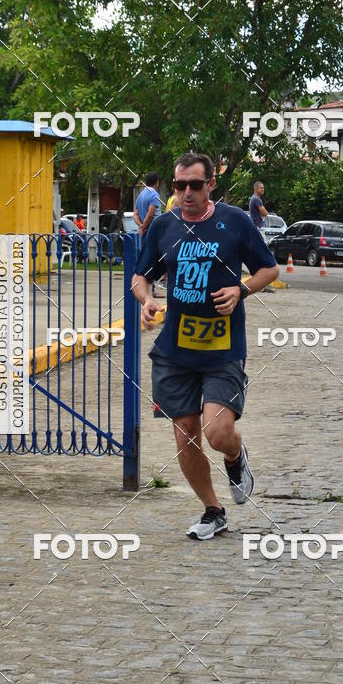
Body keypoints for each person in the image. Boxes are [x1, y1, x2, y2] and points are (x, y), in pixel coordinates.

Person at [132, 152, 279, 540]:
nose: (186, 193)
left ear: (210, 185)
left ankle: (235, 455)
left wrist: (241, 289)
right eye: (179, 185)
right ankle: (213, 511)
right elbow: (140, 276)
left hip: (222, 348)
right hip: (175, 350)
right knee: (185, 434)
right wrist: (146, 300)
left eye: (195, 185)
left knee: (217, 432)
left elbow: (269, 269)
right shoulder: (164, 226)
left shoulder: (235, 221)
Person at [133, 172, 164, 297]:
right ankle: (150, 290)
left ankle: (149, 288)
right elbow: (150, 214)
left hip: (145, 231)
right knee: (155, 259)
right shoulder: (154, 194)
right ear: (157, 182)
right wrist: (145, 227)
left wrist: (141, 226)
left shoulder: (141, 195)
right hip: (154, 231)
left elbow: (135, 214)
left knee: (147, 259)